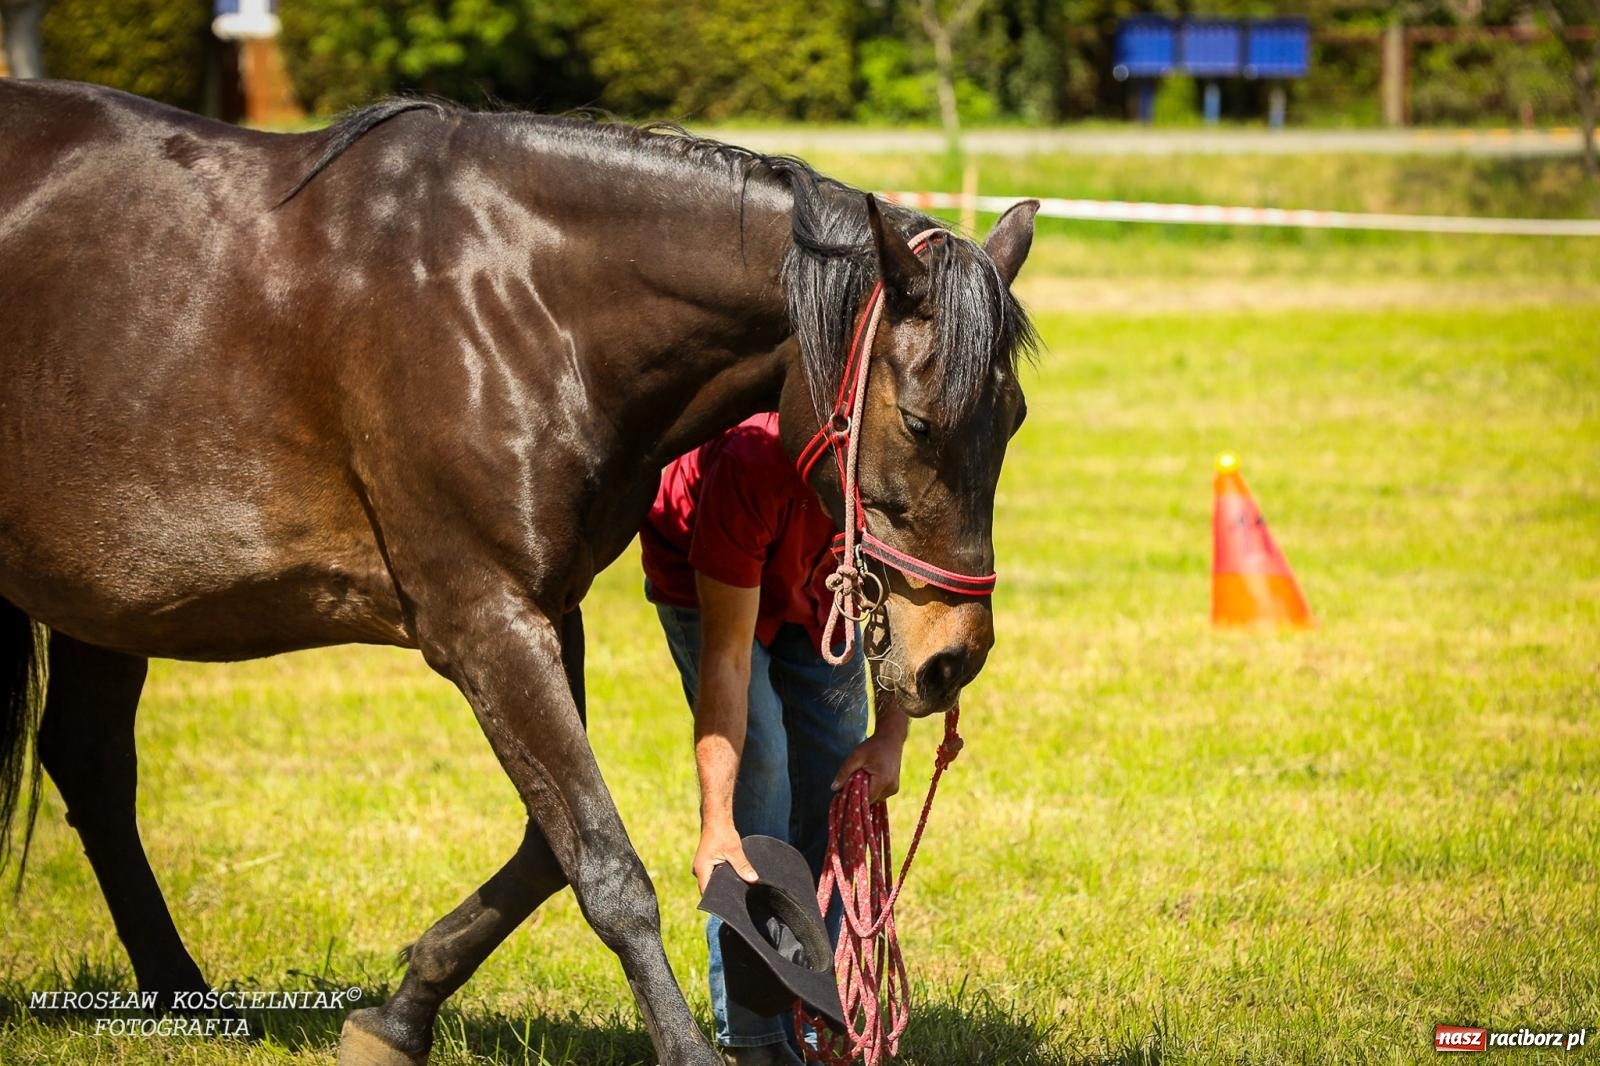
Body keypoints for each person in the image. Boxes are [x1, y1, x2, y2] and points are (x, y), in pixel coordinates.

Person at [641, 411, 908, 1066]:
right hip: (709, 570)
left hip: (821, 584)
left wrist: (890, 737)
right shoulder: (753, 461)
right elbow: (728, 657)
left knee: (835, 775)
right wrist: (717, 823)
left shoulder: (912, 470)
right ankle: (757, 1038)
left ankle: (816, 1012)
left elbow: (904, 608)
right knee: (761, 771)